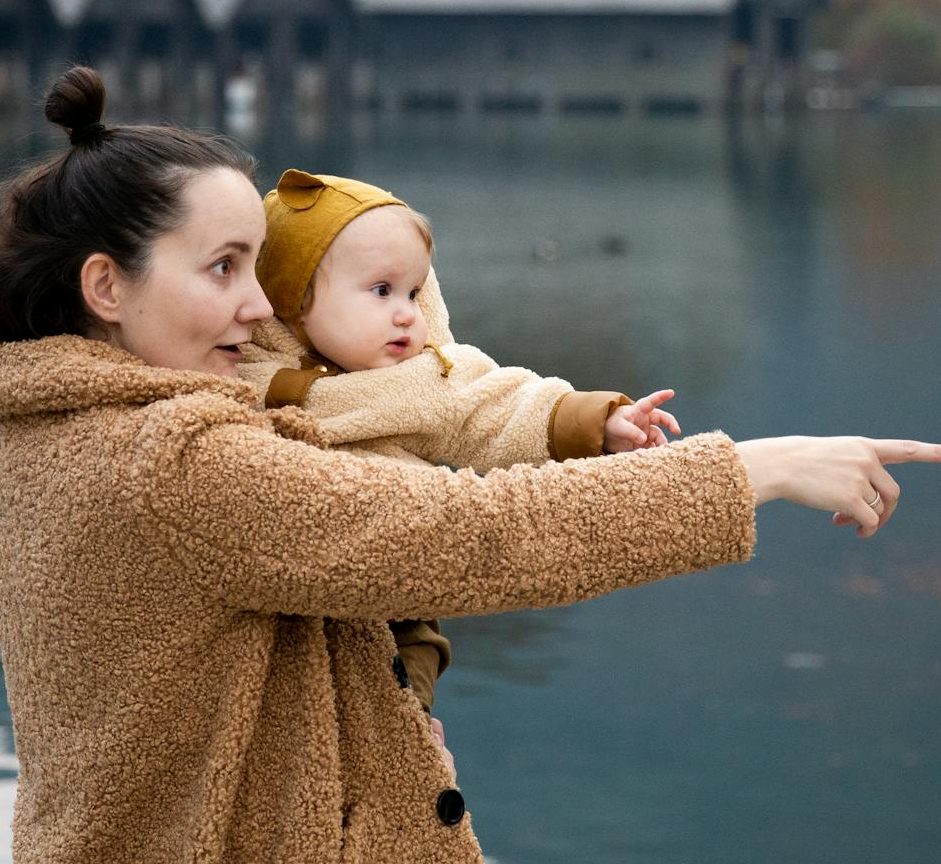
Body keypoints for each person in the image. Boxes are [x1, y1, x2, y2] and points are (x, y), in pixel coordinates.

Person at [0, 66, 941, 864]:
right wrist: (750, 470)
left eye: (258, 267)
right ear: (105, 286)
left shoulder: (43, 437)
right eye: (221, 268)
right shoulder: (173, 461)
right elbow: (466, 533)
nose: (259, 307)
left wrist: (377, 728)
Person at [235, 166, 684, 718]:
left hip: (402, 598)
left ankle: (411, 737)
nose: (406, 313)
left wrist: (599, 421)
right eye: (381, 291)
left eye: (414, 292)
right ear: (291, 293)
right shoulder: (237, 370)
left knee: (397, 705)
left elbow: (499, 407)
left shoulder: (427, 379)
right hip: (292, 589)